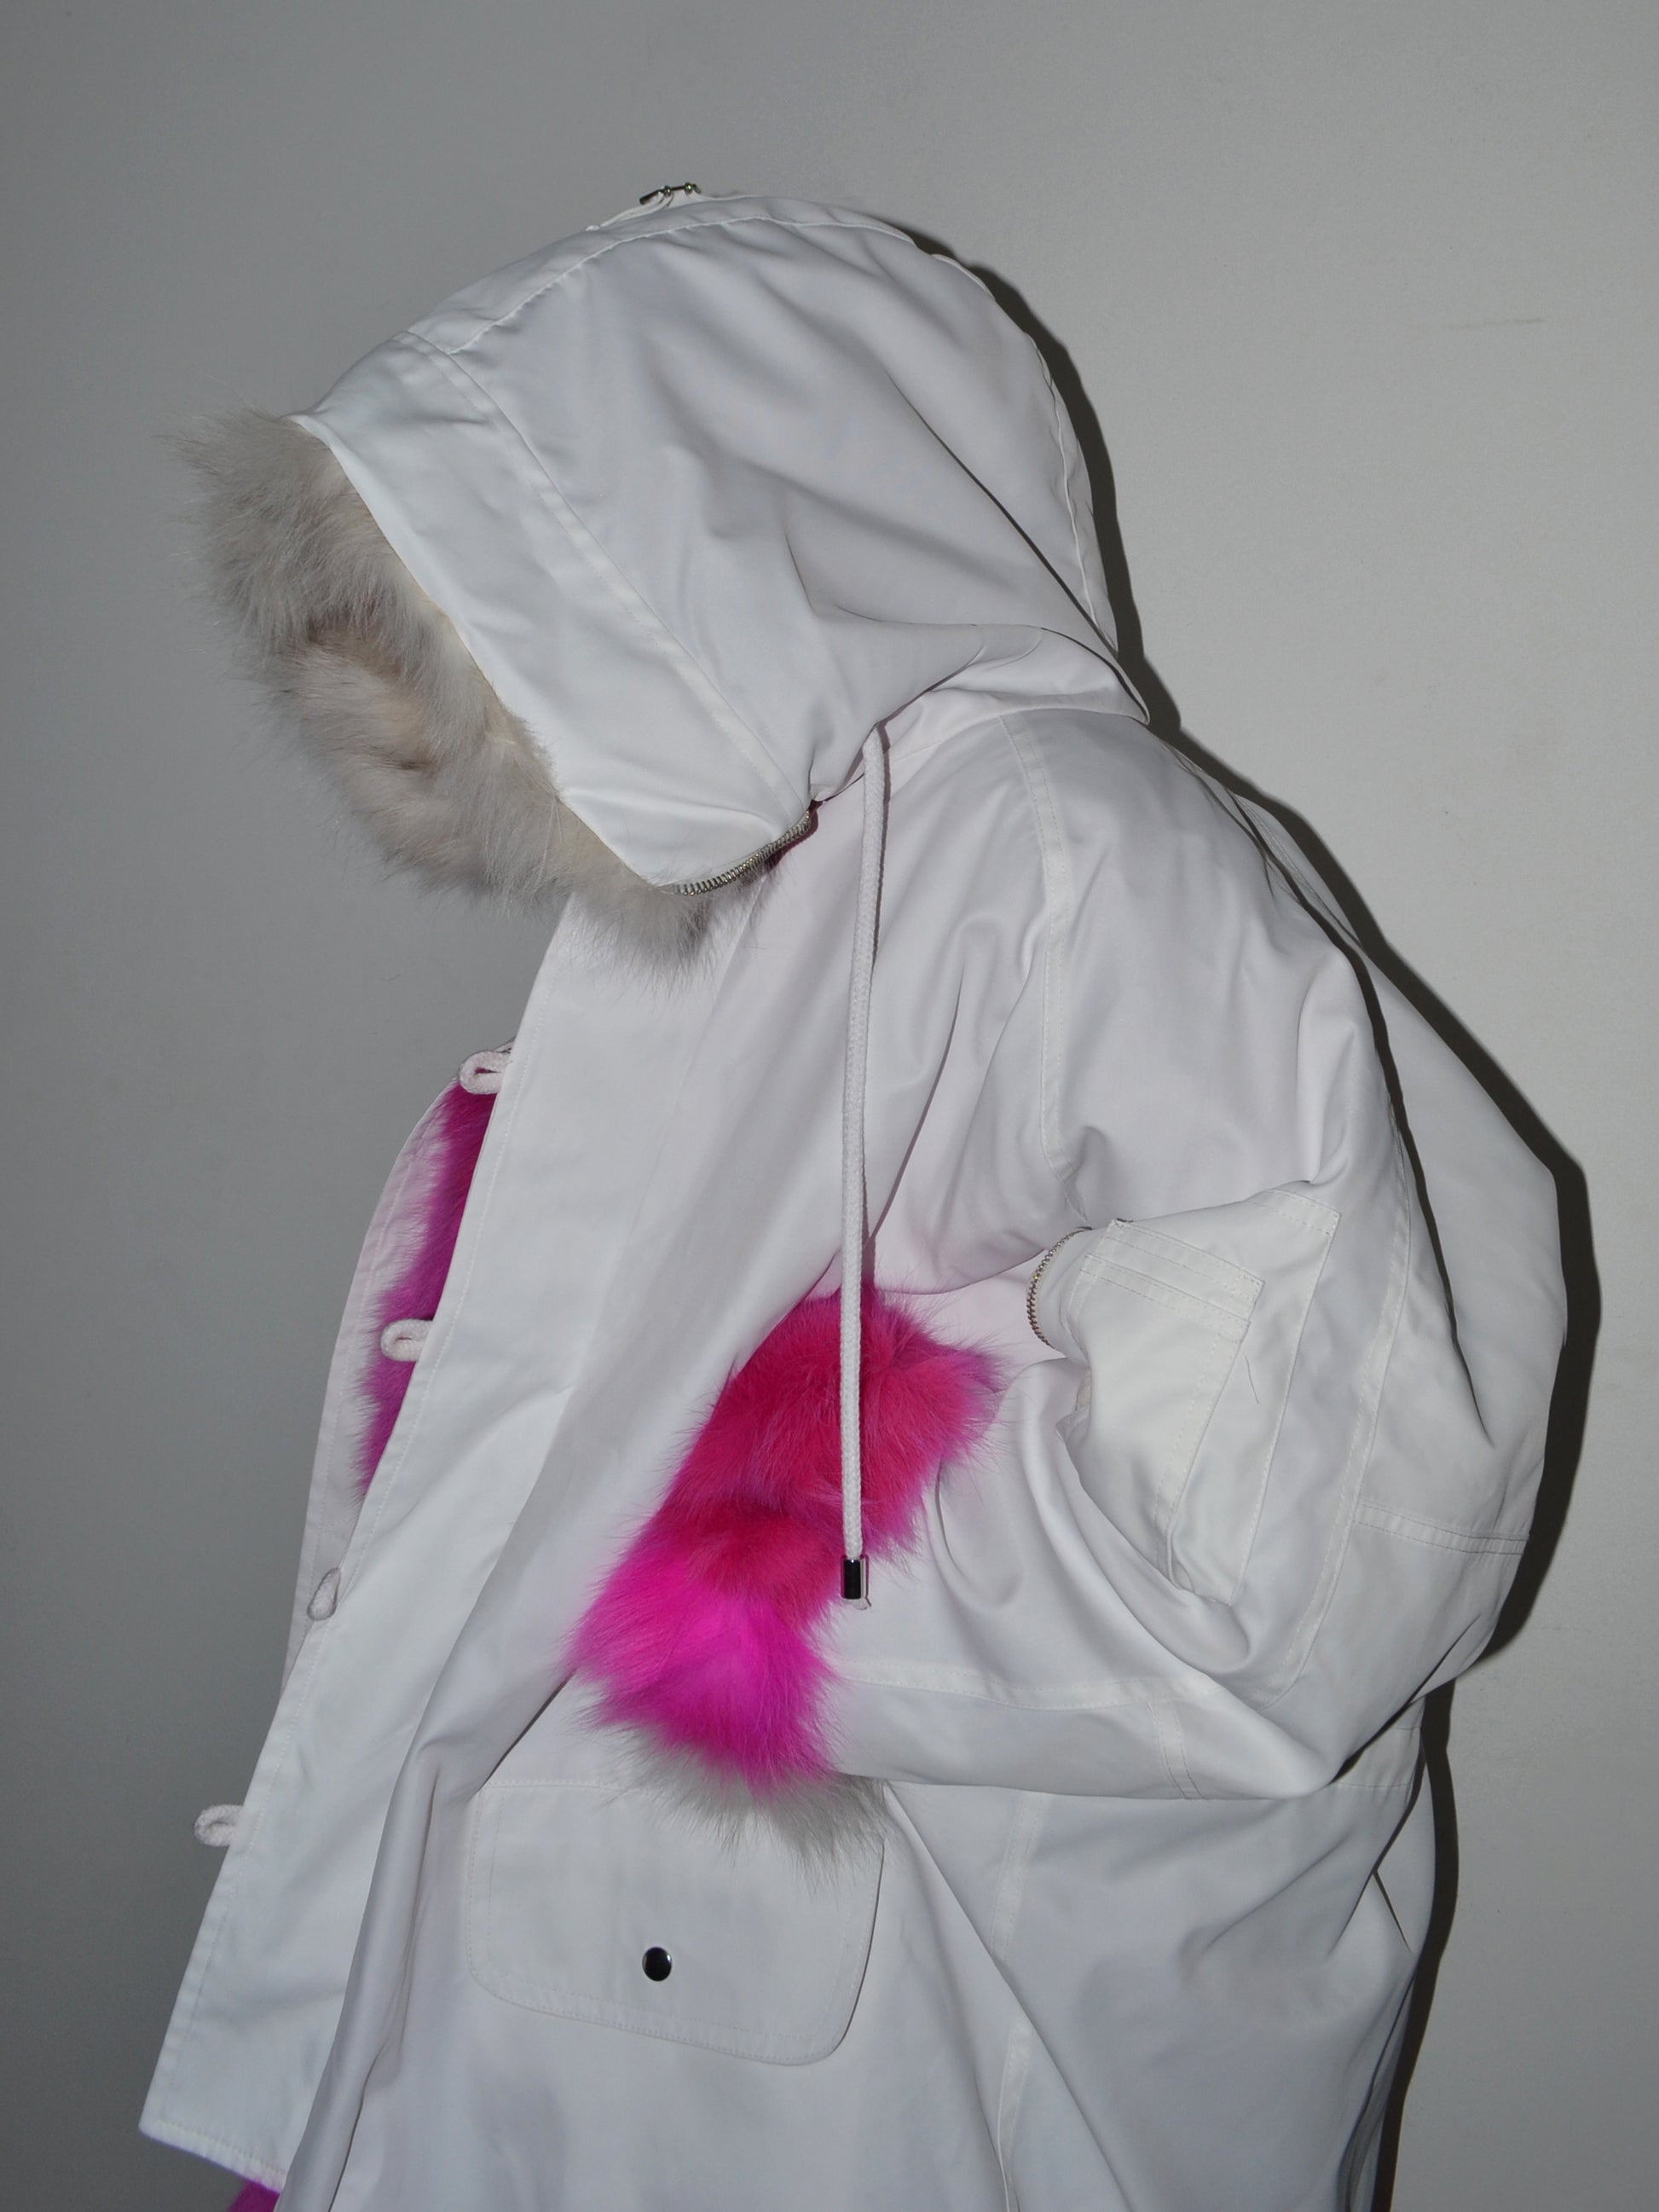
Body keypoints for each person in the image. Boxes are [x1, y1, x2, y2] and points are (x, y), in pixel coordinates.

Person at [143, 187, 1565, 2212]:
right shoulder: (753, 894)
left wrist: (753, 1573)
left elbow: (1330, 1514)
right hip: (617, 2020)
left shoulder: (1073, 851)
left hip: (887, 2061)